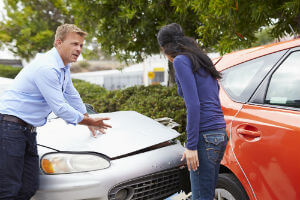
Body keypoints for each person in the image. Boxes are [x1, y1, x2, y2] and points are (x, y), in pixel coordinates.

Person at [0, 24, 112, 200]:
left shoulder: (63, 67)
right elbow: (60, 107)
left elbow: (71, 94)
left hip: (26, 130)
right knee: (8, 190)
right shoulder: (47, 68)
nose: (79, 49)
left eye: (81, 45)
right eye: (74, 44)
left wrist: (88, 118)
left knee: (29, 187)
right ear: (58, 43)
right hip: (9, 128)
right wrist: (89, 122)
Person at [157, 23, 228, 200]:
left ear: (164, 47)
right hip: (219, 134)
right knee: (207, 195)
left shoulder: (181, 60)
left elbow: (194, 105)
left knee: (200, 197)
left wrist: (191, 145)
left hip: (204, 136)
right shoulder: (202, 60)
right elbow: (212, 93)